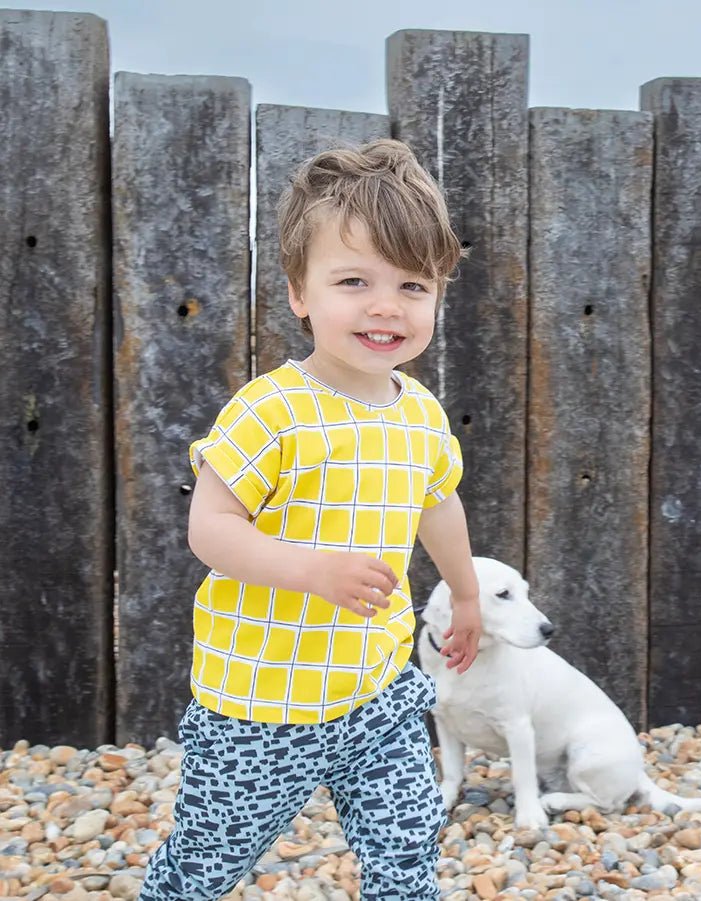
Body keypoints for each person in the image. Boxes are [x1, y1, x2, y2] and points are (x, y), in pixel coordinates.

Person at [139, 139, 482, 901]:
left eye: (412, 286)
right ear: (299, 292)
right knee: (210, 855)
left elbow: (438, 499)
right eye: (353, 280)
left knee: (406, 839)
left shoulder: (419, 412)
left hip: (376, 689)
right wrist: (311, 568)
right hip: (259, 701)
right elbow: (211, 527)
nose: (386, 305)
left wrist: (463, 593)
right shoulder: (273, 408)